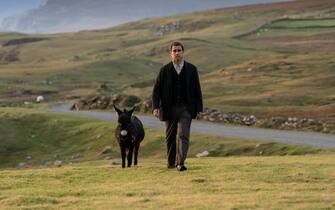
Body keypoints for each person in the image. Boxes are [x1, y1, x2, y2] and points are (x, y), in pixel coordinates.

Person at [152, 41, 203, 171]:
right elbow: (156, 90)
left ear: (183, 52)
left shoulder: (192, 69)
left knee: (183, 135)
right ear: (170, 53)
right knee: (170, 137)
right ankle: (170, 162)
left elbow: (197, 90)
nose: (177, 53)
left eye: (179, 50)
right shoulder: (164, 70)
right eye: (174, 51)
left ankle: (180, 163)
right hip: (169, 109)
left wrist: (199, 109)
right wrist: (156, 107)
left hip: (186, 109)